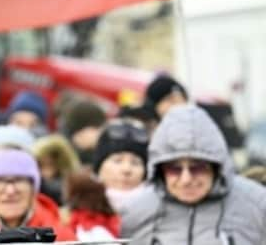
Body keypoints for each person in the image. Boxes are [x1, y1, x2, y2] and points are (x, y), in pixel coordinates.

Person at [121, 104, 266, 244]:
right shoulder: (134, 212)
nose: (186, 179)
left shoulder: (257, 205)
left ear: (216, 167)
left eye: (198, 168)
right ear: (160, 170)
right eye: (174, 169)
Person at [92, 119, 148, 214]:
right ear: (99, 167)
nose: (126, 169)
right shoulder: (74, 214)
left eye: (135, 163)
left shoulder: (161, 213)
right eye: (117, 161)